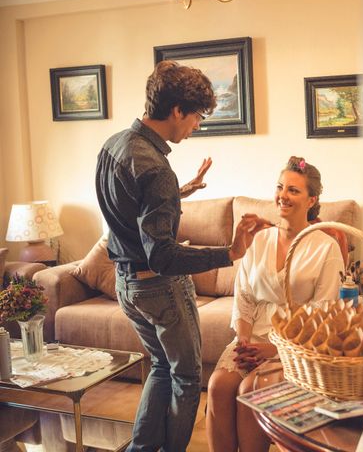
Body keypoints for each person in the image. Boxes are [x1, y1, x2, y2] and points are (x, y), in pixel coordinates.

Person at [95, 60, 271, 452]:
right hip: (158, 288)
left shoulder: (115, 145)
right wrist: (230, 252)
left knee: (161, 366)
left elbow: (130, 208)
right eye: (197, 117)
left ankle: (141, 449)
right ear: (177, 110)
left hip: (128, 288)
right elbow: (163, 257)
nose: (197, 126)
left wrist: (180, 190)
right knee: (187, 378)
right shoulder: (156, 169)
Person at [206, 156, 344, 452]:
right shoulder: (260, 239)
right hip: (250, 338)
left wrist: (273, 349)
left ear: (312, 200)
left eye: (294, 190)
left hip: (295, 347)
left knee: (248, 391)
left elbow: (323, 317)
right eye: (280, 187)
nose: (283, 195)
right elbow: (242, 296)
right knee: (218, 386)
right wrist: (243, 341)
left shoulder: (326, 247)